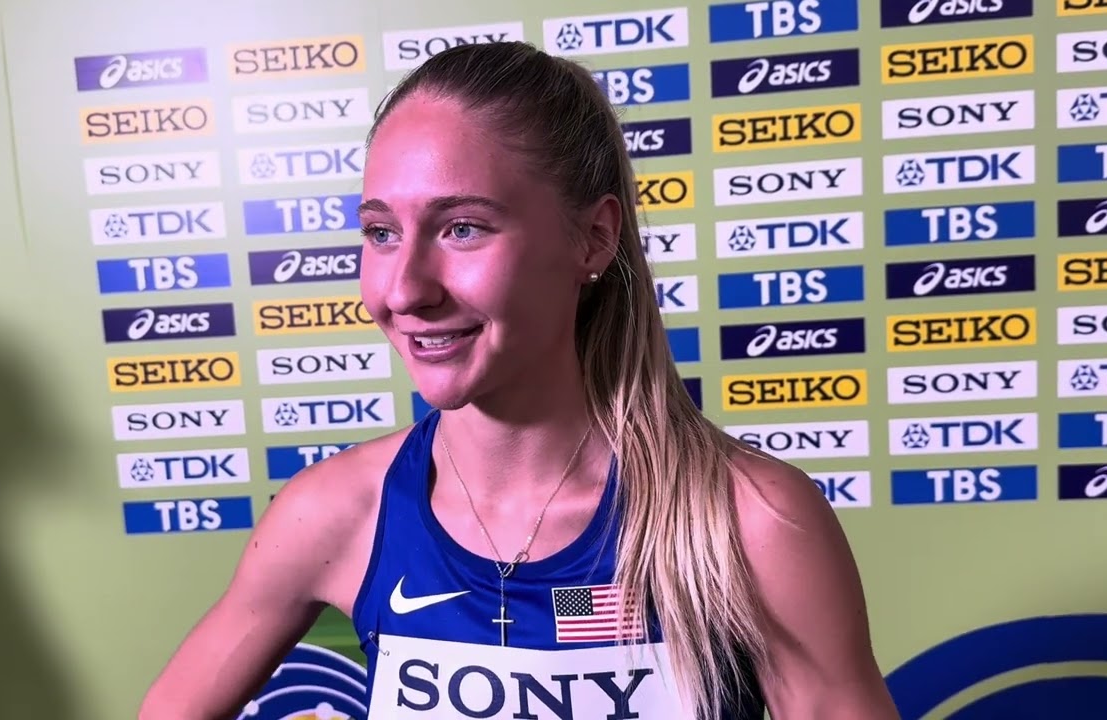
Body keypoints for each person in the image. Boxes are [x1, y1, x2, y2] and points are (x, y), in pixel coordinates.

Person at [138, 40, 900, 720]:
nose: (405, 290)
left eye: (462, 228)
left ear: (594, 237)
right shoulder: (335, 511)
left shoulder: (752, 523)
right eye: (381, 232)